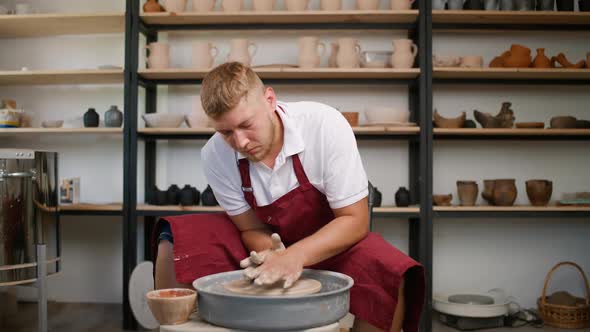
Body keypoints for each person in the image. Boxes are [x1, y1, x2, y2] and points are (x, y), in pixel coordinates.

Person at [152, 62, 425, 332]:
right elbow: (250, 227)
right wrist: (271, 254)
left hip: (331, 243)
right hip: (268, 245)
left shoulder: (323, 125)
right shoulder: (215, 154)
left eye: (247, 125)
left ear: (269, 99)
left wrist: (295, 256)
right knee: (175, 240)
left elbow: (355, 220)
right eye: (226, 132)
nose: (241, 142)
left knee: (389, 268)